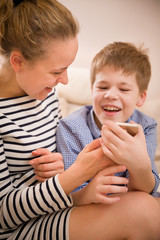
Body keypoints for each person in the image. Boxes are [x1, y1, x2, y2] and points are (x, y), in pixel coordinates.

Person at [1, 0, 160, 239]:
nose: (65, 80)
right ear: (18, 62)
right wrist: (75, 175)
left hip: (56, 207)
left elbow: (52, 171)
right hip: (20, 227)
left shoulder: (46, 94)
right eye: (56, 71)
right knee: (144, 213)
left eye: (67, 68)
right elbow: (3, 214)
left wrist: (55, 169)